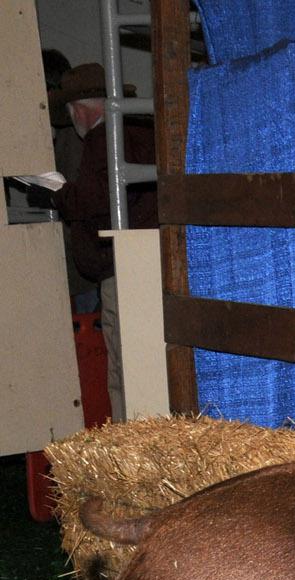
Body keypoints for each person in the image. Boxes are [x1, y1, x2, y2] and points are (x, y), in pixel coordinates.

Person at [49, 62, 156, 422]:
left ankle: (128, 438)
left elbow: (95, 201)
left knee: (124, 364)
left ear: (79, 110)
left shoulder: (101, 141)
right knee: (148, 360)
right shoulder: (139, 132)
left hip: (119, 264)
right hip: (150, 258)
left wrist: (60, 195)